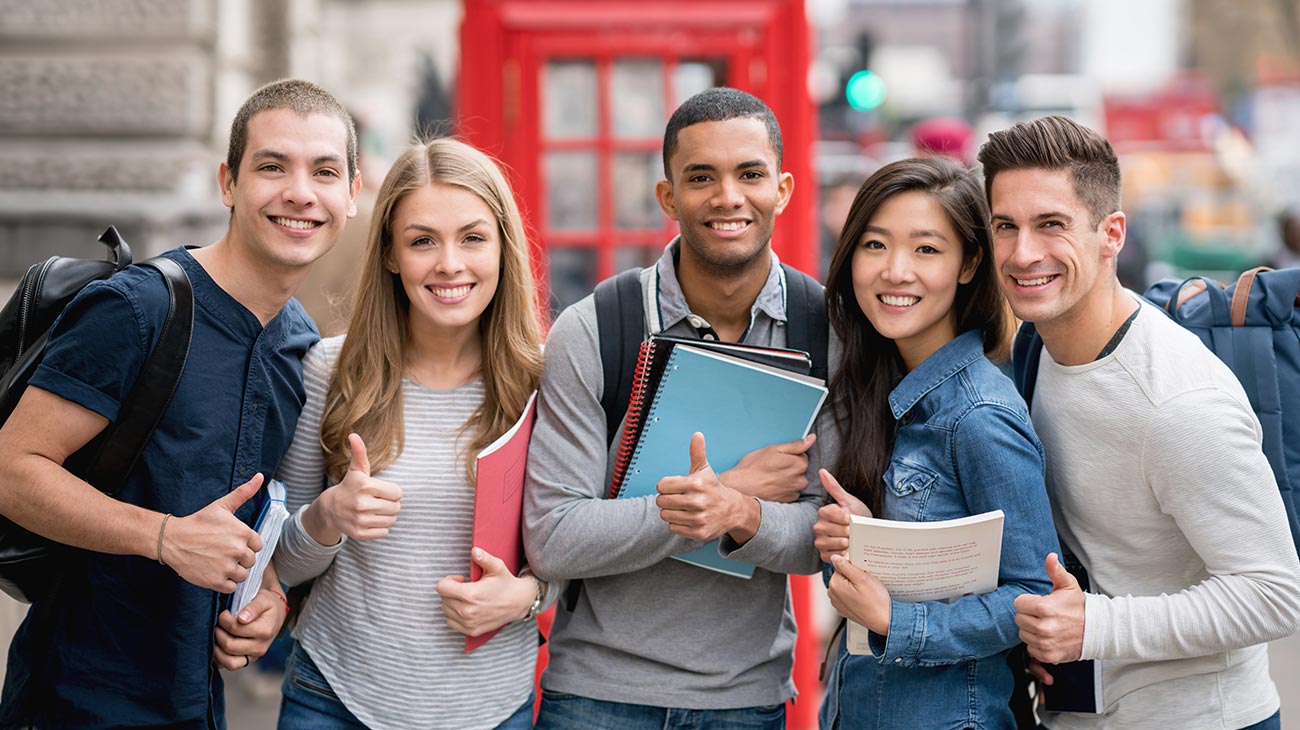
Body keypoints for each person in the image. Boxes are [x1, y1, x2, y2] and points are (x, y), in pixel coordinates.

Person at [0, 78, 360, 728]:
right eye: (272, 166)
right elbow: (10, 468)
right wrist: (164, 537)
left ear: (351, 196)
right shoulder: (137, 310)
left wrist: (271, 598)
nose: (300, 192)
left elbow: (265, 512)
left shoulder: (297, 342)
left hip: (199, 702)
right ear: (229, 183)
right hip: (78, 701)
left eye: (324, 171)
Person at [523, 86, 837, 729]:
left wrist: (738, 510)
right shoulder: (596, 330)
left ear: (782, 189)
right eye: (701, 177)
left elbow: (827, 542)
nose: (728, 197)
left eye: (749, 174)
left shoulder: (827, 331)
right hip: (595, 698)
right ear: (668, 197)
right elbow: (553, 539)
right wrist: (722, 498)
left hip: (745, 701)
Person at [980, 115, 1300, 730]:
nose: (1023, 254)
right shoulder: (1036, 349)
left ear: (1111, 234)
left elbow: (1274, 594)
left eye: (1052, 225)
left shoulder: (1178, 403)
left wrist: (1094, 627)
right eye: (1006, 227)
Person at [272, 138, 549, 730]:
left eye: (473, 237)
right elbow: (278, 566)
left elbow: (581, 548)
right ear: (392, 256)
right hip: (334, 697)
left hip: (492, 707)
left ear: (504, 247)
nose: (449, 262)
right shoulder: (328, 371)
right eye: (422, 240)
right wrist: (327, 516)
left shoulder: (544, 384)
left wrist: (528, 597)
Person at [811, 156, 1059, 729]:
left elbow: (1035, 594)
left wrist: (896, 621)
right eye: (874, 246)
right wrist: (855, 540)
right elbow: (865, 597)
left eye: (926, 249)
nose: (895, 271)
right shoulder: (878, 390)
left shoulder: (979, 415)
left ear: (970, 263)